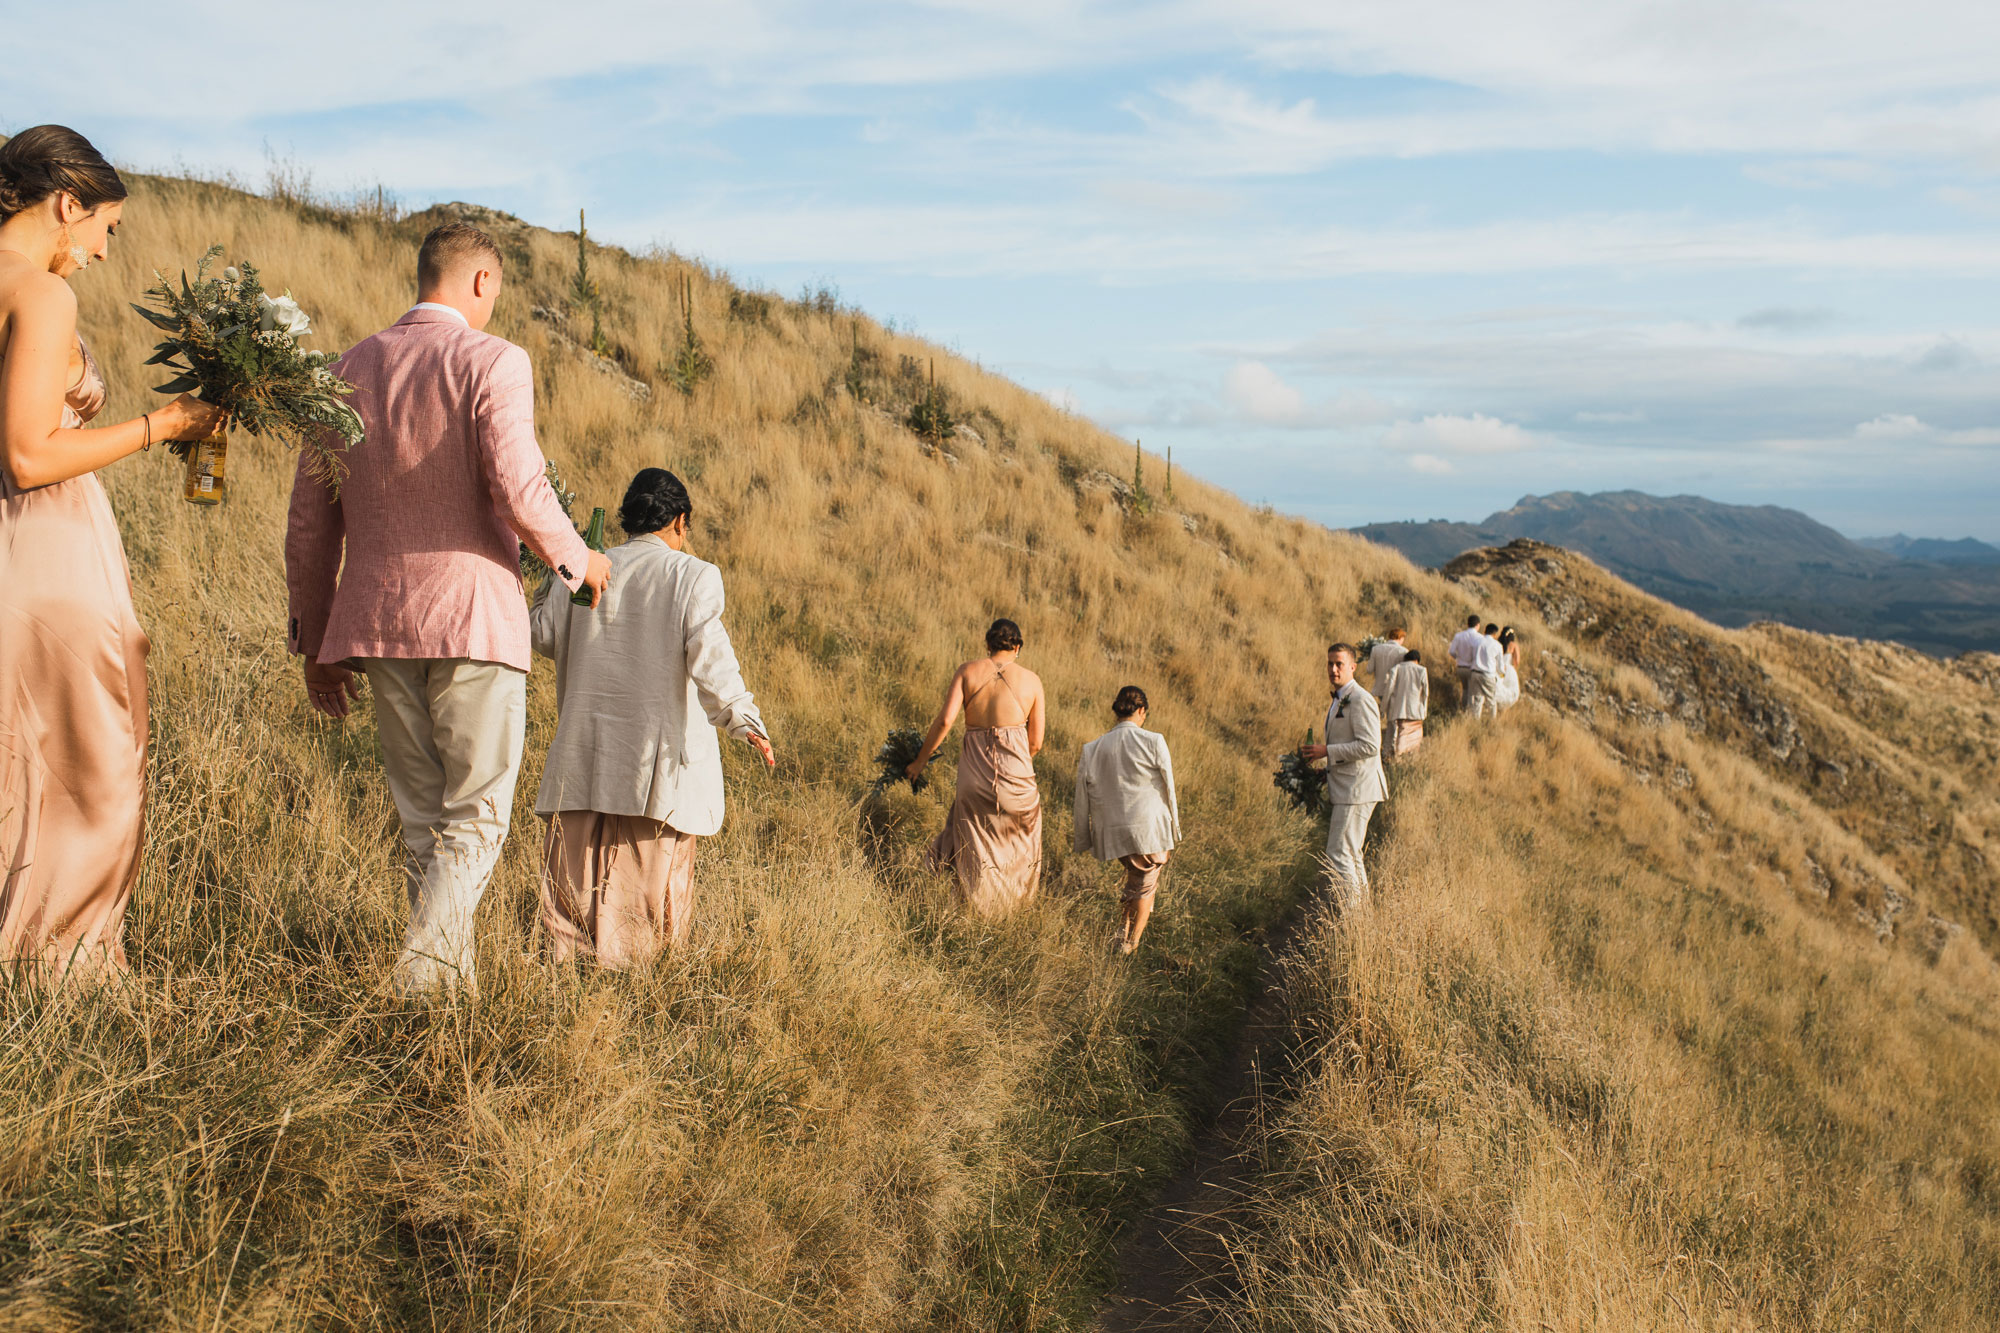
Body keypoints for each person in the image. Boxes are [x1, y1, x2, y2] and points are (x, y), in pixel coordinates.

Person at [285, 220, 612, 995]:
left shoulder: (344, 371)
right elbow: (518, 485)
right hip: (472, 619)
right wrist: (581, 562)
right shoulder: (493, 360)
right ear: (481, 282)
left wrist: (315, 639)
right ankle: (416, 981)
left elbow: (309, 519)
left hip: (375, 624)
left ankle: (439, 1009)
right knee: (475, 819)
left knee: (423, 824)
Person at [0, 126, 226, 981]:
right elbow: (26, 453)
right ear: (66, 204)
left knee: (19, 759)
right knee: (92, 766)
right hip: (46, 555)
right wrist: (160, 425)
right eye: (106, 228)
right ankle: (56, 965)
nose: (101, 250)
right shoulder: (40, 296)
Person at [530, 468, 772, 968]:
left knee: (571, 903)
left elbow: (540, 634)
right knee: (644, 917)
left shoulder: (582, 566)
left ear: (626, 519)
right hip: (653, 771)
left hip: (583, 758)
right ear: (680, 521)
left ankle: (562, 991)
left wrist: (545, 570)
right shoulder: (691, 576)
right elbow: (713, 662)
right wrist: (742, 719)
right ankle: (634, 1001)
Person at [907, 618, 1046, 915]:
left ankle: (971, 911)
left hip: (974, 779)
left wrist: (919, 763)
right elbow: (1036, 742)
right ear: (1017, 647)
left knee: (972, 844)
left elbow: (945, 721)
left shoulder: (967, 671)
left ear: (988, 644)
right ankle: (1013, 911)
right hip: (1017, 778)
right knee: (1023, 840)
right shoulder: (1032, 681)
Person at [1073, 685, 1180, 956]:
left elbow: (1081, 798)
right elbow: (1169, 787)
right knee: (1145, 885)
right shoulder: (1154, 741)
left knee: (1136, 881)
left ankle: (1122, 932)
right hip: (1149, 829)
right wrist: (1174, 827)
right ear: (1141, 710)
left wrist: (1084, 836)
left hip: (1113, 831)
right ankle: (1130, 945)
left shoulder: (1093, 748)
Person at [1298, 643, 1388, 909]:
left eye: (1339, 664)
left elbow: (1371, 745)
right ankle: (1360, 916)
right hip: (1349, 785)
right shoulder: (1339, 698)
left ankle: (1351, 919)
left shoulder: (1360, 699)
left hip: (1357, 789)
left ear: (1353, 667)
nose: (1333, 669)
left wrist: (1327, 751)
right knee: (1350, 853)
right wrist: (1327, 771)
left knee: (1338, 854)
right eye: (1329, 664)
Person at [1385, 649, 1429, 758]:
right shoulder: (1422, 670)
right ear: (1417, 660)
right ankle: (1411, 760)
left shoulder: (1396, 668)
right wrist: (1424, 709)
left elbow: (1389, 689)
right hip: (1416, 710)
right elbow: (1426, 693)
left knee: (1402, 734)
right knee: (1415, 738)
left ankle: (1398, 758)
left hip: (1400, 709)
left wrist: (1384, 707)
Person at [1467, 622, 1506, 720]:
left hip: (1475, 673)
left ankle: (1475, 722)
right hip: (1488, 675)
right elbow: (1500, 667)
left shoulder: (1476, 642)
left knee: (1477, 700)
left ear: (1485, 630)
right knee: (1491, 701)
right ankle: (1492, 722)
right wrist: (1503, 673)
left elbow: (1470, 657)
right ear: (1495, 634)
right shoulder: (1497, 645)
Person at [1367, 629, 1408, 714]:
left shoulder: (1375, 649)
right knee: (1392, 716)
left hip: (1379, 687)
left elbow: (1369, 669)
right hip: (1395, 688)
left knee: (1378, 714)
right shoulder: (1403, 651)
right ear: (1400, 638)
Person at [1448, 614, 1483, 712]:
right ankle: (1469, 713)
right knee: (1472, 693)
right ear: (1478, 625)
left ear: (1467, 624)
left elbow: (1451, 651)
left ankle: (1463, 709)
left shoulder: (1459, 636)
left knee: (1465, 690)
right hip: (1472, 668)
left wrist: (1458, 658)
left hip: (1460, 667)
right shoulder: (1479, 638)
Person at [1493, 628, 1522, 712]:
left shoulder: (1498, 644)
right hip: (1509, 670)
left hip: (1498, 669)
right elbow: (1517, 661)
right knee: (1511, 691)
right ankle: (1503, 712)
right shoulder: (1513, 645)